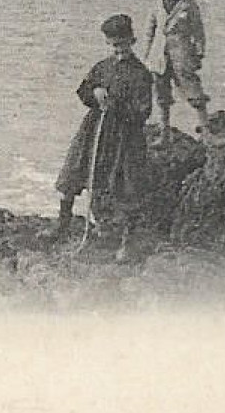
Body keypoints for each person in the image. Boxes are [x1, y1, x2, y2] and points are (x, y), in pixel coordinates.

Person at [50, 14, 153, 261]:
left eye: (123, 45)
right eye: (114, 45)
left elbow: (143, 111)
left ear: (133, 41)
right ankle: (62, 226)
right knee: (73, 174)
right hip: (94, 130)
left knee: (127, 185)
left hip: (124, 137)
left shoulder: (141, 74)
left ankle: (128, 241)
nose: (119, 51)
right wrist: (94, 93)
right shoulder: (102, 67)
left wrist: (116, 106)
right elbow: (83, 90)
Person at [145, 0, 209, 139]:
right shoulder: (155, 5)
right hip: (158, 57)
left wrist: (199, 53)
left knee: (194, 91)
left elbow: (199, 32)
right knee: (161, 95)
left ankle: (205, 130)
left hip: (183, 55)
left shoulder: (189, 5)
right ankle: (164, 132)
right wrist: (146, 57)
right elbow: (149, 32)